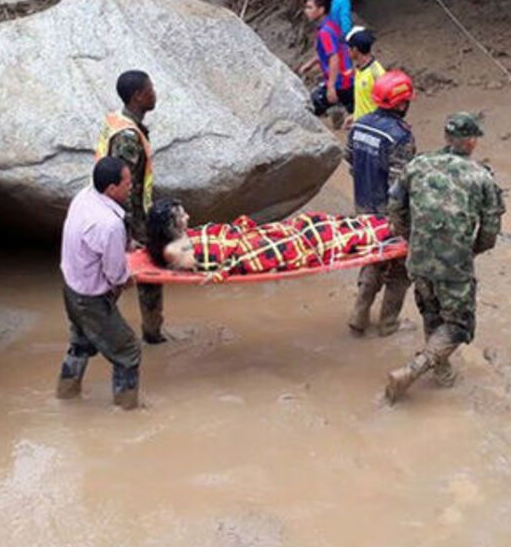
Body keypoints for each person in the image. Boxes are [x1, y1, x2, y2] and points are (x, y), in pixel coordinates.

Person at [384, 113, 505, 402]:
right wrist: (467, 252)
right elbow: (489, 233)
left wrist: (413, 239)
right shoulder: (481, 176)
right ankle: (414, 370)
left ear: (446, 137)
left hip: (419, 258)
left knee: (431, 311)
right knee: (459, 325)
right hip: (454, 264)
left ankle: (442, 370)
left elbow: (394, 207)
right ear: (472, 141)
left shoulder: (417, 165)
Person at [56, 156, 141, 409]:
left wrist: (126, 245)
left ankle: (66, 395)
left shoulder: (83, 196)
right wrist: (128, 279)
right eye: (127, 183)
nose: (131, 187)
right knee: (128, 351)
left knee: (81, 343)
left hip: (71, 286)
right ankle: (126, 411)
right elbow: (115, 274)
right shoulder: (110, 224)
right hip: (91, 298)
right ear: (111, 189)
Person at [145, 201, 394, 280]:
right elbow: (214, 260)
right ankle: (386, 228)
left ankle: (379, 224)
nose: (188, 217)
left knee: (310, 223)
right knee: (317, 238)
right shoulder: (172, 250)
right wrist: (234, 245)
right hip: (248, 250)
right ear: (170, 225)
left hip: (247, 239)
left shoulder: (177, 240)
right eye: (181, 216)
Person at [94, 70, 166, 343]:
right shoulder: (127, 136)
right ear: (138, 96)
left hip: (122, 217)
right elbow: (124, 187)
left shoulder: (119, 122)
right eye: (151, 89)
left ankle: (95, 331)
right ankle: (151, 334)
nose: (155, 93)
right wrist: (128, 233)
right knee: (143, 274)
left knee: (120, 276)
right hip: (129, 220)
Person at [345, 70, 416, 337]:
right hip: (388, 213)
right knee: (399, 270)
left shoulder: (359, 124)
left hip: (363, 208)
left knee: (371, 258)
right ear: (401, 103)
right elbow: (401, 185)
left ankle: (359, 314)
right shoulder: (400, 137)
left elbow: (349, 160)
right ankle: (388, 323)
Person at [301, 0, 354, 119]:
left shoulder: (325, 32)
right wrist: (311, 63)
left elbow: (334, 57)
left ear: (321, 9)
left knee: (312, 108)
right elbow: (331, 51)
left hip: (340, 82)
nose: (306, 11)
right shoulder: (332, 26)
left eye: (309, 7)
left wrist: (331, 86)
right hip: (347, 77)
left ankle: (337, 112)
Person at [346, 28, 386, 126]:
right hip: (361, 125)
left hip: (373, 126)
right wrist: (355, 115)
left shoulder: (377, 73)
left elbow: (386, 104)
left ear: (355, 50)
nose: (347, 50)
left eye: (349, 48)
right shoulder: (359, 69)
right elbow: (364, 99)